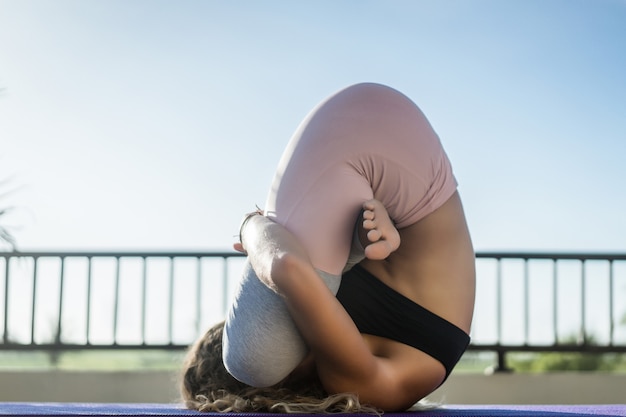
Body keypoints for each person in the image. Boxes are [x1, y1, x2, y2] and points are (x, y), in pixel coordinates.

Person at [181, 82, 476, 412]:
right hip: (364, 136)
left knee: (263, 344)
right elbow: (285, 268)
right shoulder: (361, 382)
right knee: (252, 359)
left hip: (391, 156)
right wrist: (251, 227)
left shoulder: (363, 375)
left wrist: (365, 238)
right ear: (278, 383)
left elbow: (292, 268)